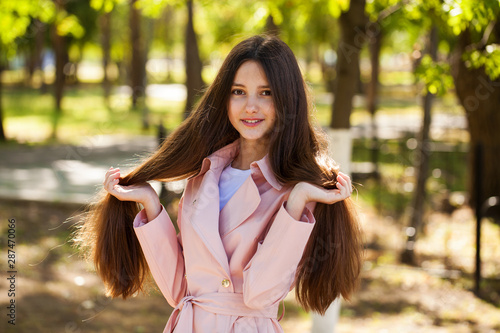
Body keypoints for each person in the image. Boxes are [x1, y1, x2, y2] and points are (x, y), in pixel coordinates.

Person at [76, 35, 362, 333]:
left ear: (287, 98)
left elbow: (260, 293)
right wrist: (150, 206)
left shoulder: (293, 192)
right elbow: (179, 290)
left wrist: (298, 200)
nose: (250, 106)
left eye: (266, 93)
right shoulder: (206, 173)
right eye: (239, 91)